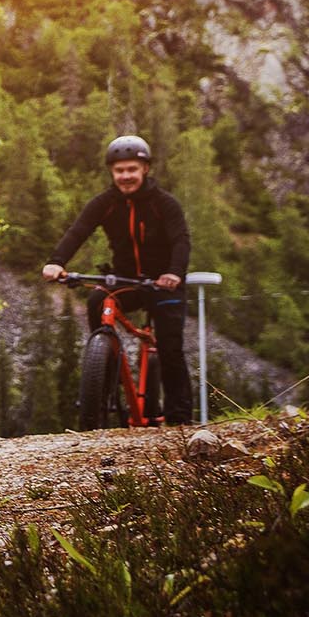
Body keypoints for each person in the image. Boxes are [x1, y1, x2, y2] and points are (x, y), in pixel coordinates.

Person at [42, 135, 193, 424]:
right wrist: (56, 262)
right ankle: (102, 374)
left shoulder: (165, 204)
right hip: (126, 280)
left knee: (171, 348)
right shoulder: (105, 203)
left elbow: (181, 241)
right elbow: (78, 231)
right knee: (98, 299)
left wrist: (174, 273)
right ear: (112, 172)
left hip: (163, 284)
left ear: (145, 169)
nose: (126, 176)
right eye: (120, 170)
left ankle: (179, 420)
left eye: (132, 170)